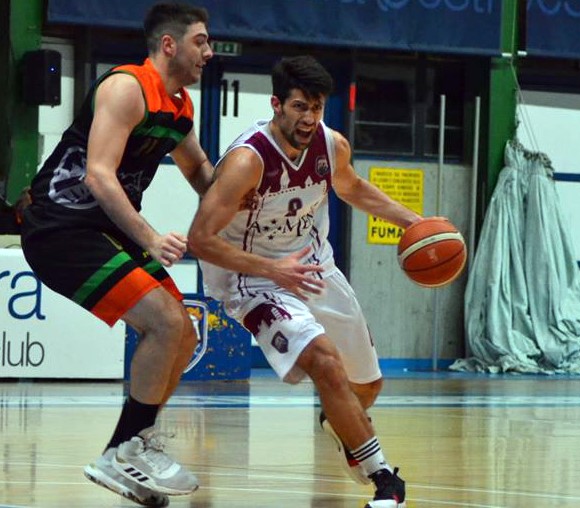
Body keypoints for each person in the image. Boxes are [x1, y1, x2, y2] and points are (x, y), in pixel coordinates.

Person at [188, 55, 425, 508]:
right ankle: (385, 481)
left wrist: (415, 222)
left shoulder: (330, 146)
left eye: (316, 108)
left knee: (367, 387)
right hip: (251, 277)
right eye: (299, 107)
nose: (309, 118)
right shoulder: (247, 160)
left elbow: (353, 187)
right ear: (277, 104)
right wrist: (274, 270)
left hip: (314, 268)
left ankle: (339, 422)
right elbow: (200, 239)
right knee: (324, 360)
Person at [20, 3, 215, 506]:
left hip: (104, 229)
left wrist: (248, 196)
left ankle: (128, 448)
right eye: (201, 41)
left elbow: (201, 175)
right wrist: (151, 237)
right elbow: (98, 176)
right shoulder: (126, 88)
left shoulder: (180, 108)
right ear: (169, 44)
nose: (208, 52)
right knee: (166, 324)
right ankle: (126, 448)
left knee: (184, 330)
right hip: (61, 225)